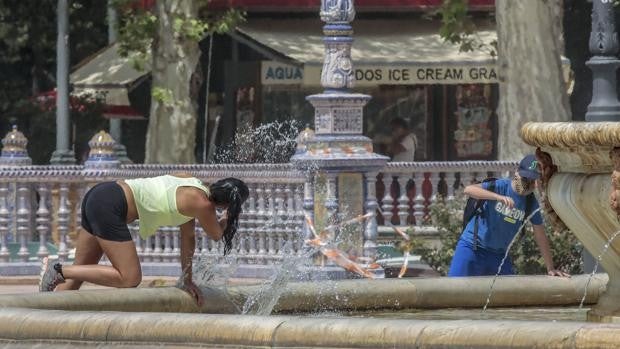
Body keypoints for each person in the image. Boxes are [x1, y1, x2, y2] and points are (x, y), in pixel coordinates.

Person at [39, 174, 249, 305]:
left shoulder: (192, 185)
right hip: (111, 206)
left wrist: (187, 280)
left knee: (75, 280)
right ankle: (58, 269)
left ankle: (43, 306)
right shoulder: (203, 205)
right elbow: (217, 235)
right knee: (130, 278)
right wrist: (228, 217)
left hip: (101, 194)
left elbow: (188, 240)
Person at [448, 154, 569, 277]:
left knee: (507, 295)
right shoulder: (500, 186)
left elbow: (540, 234)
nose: (528, 184)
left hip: (499, 256)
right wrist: (497, 197)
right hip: (472, 248)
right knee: (454, 290)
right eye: (525, 179)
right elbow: (468, 189)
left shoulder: (530, 202)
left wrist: (550, 268)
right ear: (517, 173)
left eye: (533, 181)